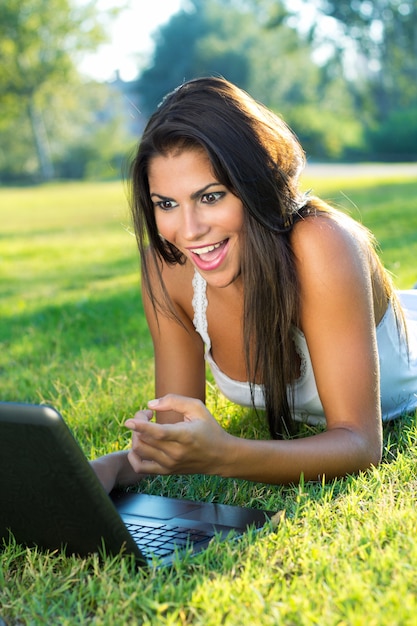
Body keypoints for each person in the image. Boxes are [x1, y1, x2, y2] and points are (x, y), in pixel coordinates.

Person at [91, 77, 417, 494]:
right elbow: (176, 439)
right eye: (166, 204)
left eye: (211, 197)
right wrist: (109, 469)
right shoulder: (166, 265)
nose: (189, 230)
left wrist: (225, 454)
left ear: (254, 186)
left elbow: (360, 445)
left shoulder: (320, 245)